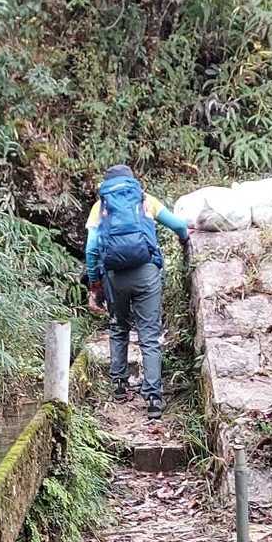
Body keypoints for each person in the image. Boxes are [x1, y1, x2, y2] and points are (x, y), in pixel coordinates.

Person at [84, 164, 189, 421]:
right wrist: (184, 238)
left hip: (114, 276)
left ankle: (120, 386)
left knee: (118, 327)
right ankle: (153, 399)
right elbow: (178, 225)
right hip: (146, 272)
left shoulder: (101, 207)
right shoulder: (145, 200)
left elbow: (91, 249)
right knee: (149, 335)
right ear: (133, 182)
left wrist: (95, 284)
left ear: (106, 185)